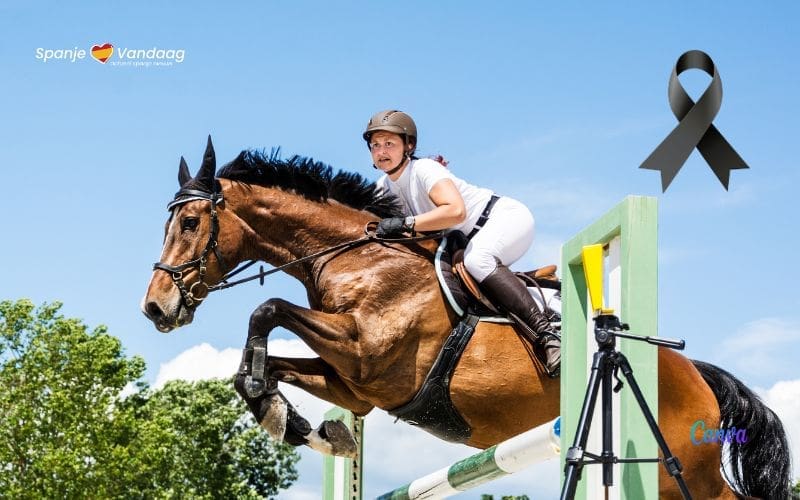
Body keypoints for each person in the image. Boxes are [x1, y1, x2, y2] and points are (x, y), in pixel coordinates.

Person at [365, 109, 561, 377]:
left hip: (502, 219)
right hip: (468, 240)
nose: (381, 151)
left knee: (477, 260)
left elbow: (456, 211)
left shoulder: (424, 169)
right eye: (375, 145)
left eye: (389, 143)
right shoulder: (381, 188)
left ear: (408, 145)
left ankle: (547, 334)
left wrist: (406, 223)